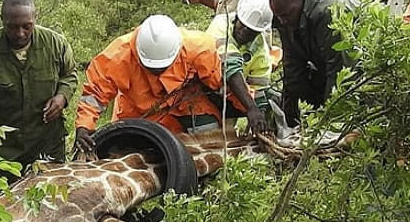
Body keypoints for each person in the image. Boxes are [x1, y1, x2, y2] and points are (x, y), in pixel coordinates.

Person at [74, 15, 266, 152]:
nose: (157, 73)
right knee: (122, 149)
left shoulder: (198, 48)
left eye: (162, 68)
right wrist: (84, 125)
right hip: (138, 111)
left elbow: (222, 84)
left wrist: (251, 107)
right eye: (152, 68)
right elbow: (95, 94)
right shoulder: (118, 55)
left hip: (186, 104)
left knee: (210, 145)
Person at [0, 0, 78, 170]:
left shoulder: (55, 44)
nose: (20, 33)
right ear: (2, 20)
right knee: (1, 197)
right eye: (12, 27)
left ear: (35, 19)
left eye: (27, 26)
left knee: (51, 196)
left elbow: (70, 75)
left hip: (48, 145)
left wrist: (62, 97)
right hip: (4, 150)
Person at [270, 0, 357, 127]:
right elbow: (293, 68)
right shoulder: (286, 14)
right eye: (279, 16)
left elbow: (341, 72)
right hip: (324, 67)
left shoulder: (329, 11)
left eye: (286, 15)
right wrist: (291, 120)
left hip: (358, 73)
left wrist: (328, 126)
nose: (283, 21)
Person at [206, 0, 276, 116]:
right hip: (206, 93)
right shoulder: (219, 26)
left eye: (251, 31)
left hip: (235, 97)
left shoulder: (260, 49)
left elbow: (258, 89)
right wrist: (252, 108)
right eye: (242, 25)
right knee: (205, 128)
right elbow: (230, 67)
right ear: (237, 18)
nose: (244, 32)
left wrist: (260, 113)